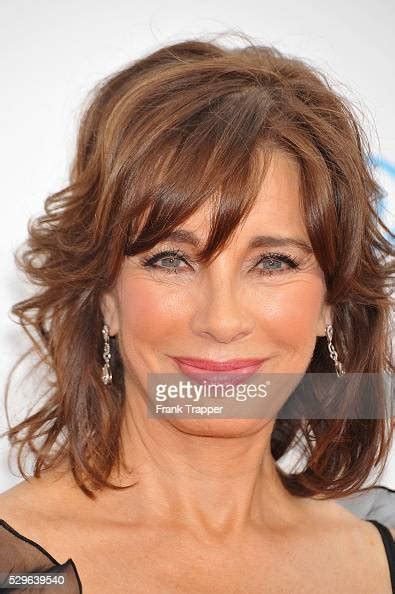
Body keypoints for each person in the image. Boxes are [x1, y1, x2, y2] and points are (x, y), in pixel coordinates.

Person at [0, 32, 394, 593]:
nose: (222, 318)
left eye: (273, 262)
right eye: (171, 260)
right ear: (105, 296)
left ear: (331, 300)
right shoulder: (15, 569)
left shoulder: (377, 558)